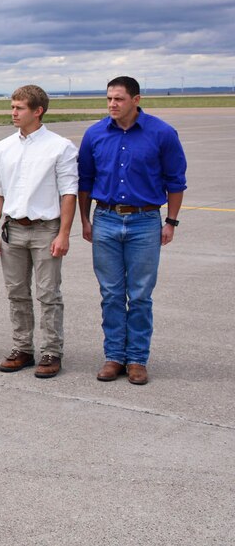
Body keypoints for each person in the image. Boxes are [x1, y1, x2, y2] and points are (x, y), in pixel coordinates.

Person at [78, 76, 186, 386]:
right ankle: (114, 356)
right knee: (111, 293)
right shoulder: (95, 134)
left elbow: (175, 181)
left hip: (145, 222)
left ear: (135, 100)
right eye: (109, 99)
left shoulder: (162, 133)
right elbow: (85, 180)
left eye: (119, 99)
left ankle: (137, 359)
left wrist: (171, 222)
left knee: (139, 295)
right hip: (107, 220)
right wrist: (85, 221)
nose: (112, 104)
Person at [0, 85, 78, 379]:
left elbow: (69, 193)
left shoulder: (60, 146)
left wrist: (64, 234)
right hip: (12, 229)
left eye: (19, 108)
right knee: (16, 293)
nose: (13, 113)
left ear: (37, 111)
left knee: (49, 293)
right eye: (12, 107)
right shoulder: (3, 148)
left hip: (45, 230)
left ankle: (52, 351)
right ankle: (22, 348)